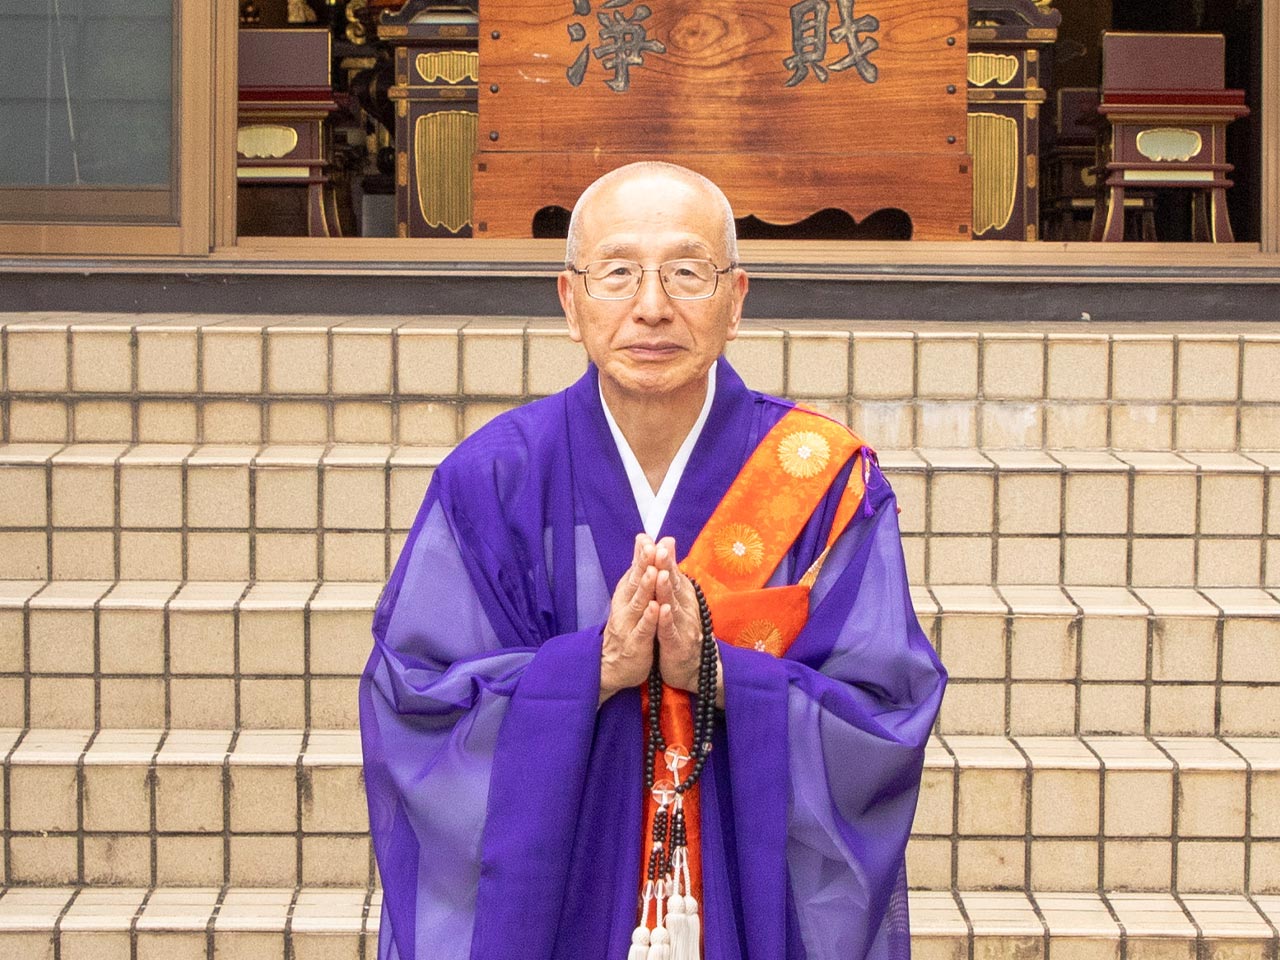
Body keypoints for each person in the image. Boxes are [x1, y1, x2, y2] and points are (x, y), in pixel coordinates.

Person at [359, 161, 946, 960]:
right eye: (619, 272)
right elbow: (416, 704)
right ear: (571, 302)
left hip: (744, 898)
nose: (652, 307)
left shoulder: (823, 480)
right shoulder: (494, 478)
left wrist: (723, 673)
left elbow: (883, 712)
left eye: (686, 272)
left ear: (736, 301)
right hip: (562, 901)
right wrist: (591, 670)